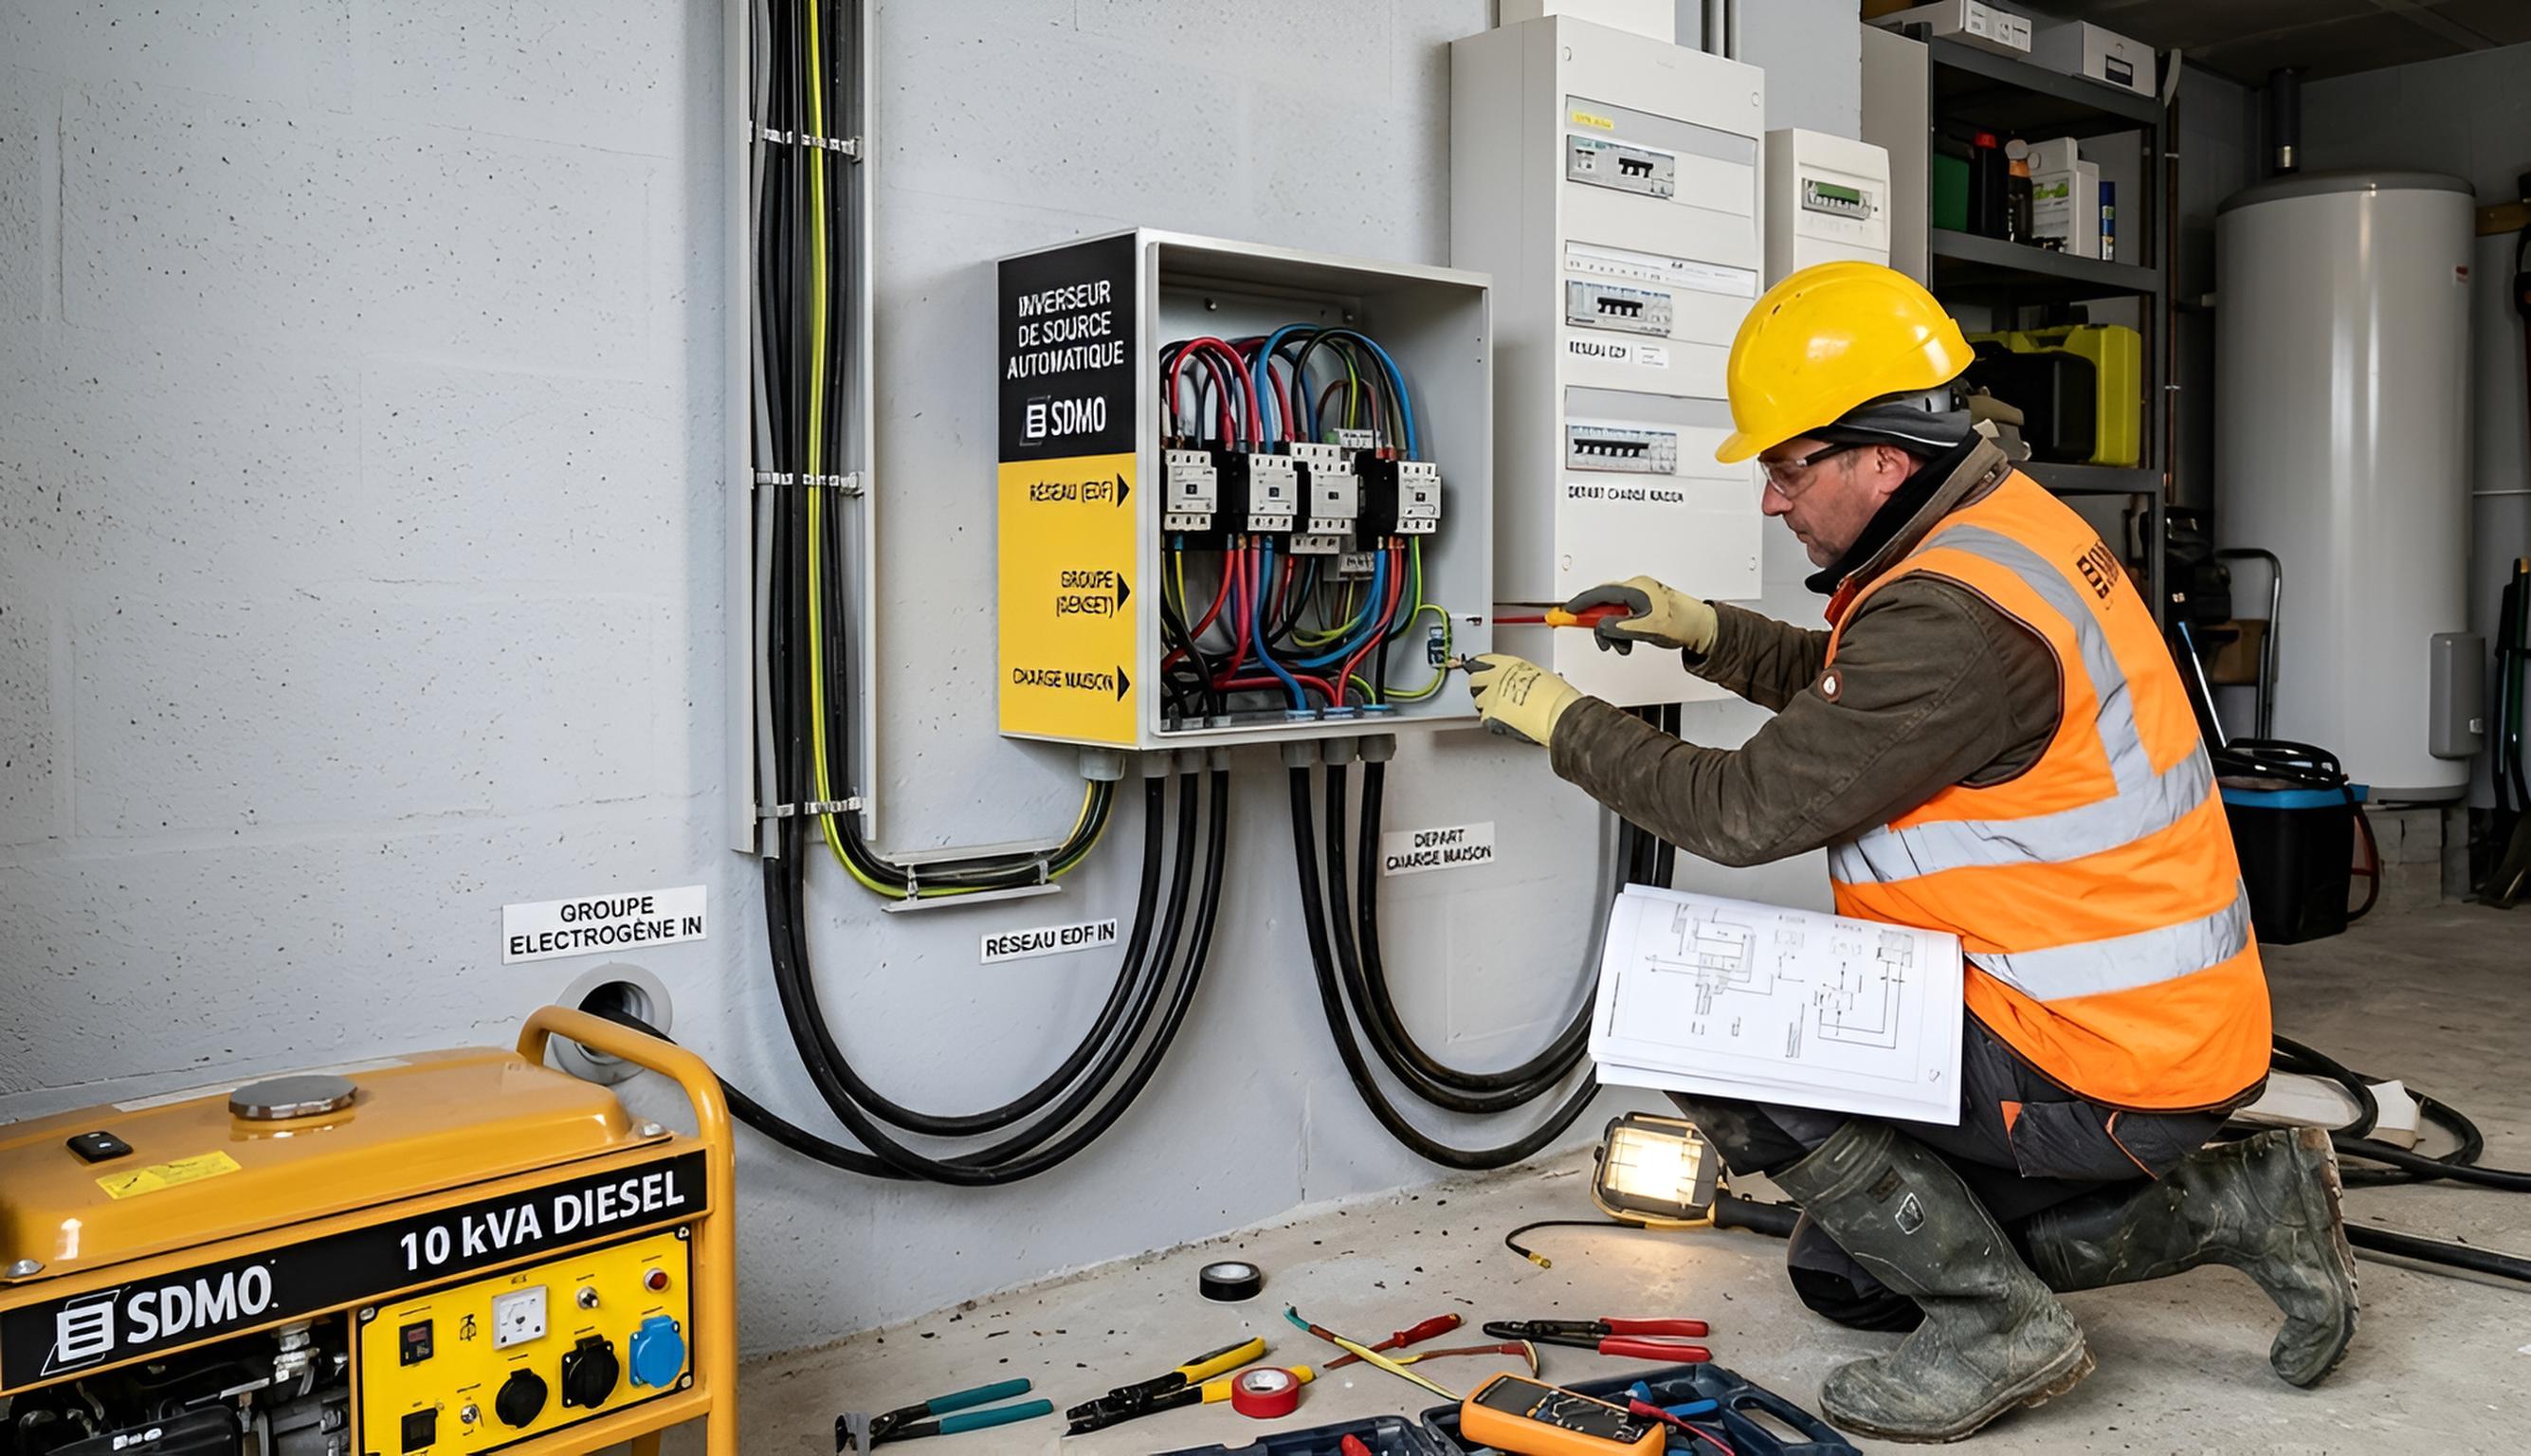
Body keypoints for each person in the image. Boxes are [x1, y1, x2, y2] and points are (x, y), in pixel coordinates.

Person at [1464, 261, 2357, 1443]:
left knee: (1696, 1013)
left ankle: (2002, 1329)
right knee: (1847, 1278)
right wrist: (1705, 632)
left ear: (1881, 458)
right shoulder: (1995, 532)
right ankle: (2245, 1201)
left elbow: (1747, 814)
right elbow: (1869, 699)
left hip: (2089, 1059)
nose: (1773, 500)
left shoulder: (1951, 614)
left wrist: (1562, 720)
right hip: (2127, 1019)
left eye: (1786, 467)